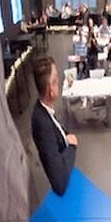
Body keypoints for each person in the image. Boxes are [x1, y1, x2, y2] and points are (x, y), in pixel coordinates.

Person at [28, 56, 78, 196]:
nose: (59, 82)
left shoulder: (44, 109)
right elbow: (59, 184)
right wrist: (72, 146)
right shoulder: (42, 126)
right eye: (56, 80)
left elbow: (57, 128)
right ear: (50, 88)